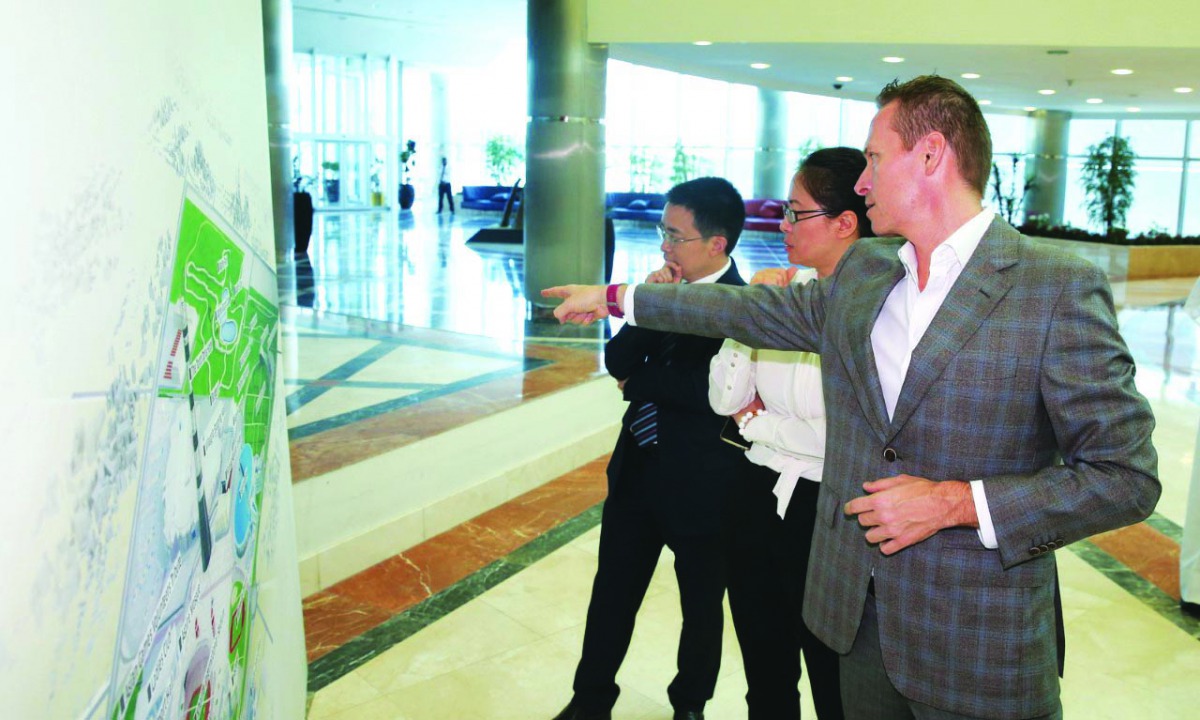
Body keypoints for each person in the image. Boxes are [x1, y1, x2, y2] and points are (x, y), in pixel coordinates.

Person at [543, 75, 1161, 720]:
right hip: (857, 624)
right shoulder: (867, 272)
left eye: (873, 158)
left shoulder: (1054, 287)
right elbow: (749, 309)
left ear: (929, 156)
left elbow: (1125, 476)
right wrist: (620, 297)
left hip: (978, 638)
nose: (862, 182)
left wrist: (955, 502)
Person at [553, 177, 748, 720]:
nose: (664, 245)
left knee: (701, 606)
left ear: (717, 244)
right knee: (612, 591)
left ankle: (689, 705)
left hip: (702, 481)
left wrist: (641, 383)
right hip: (637, 470)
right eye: (663, 231)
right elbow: (618, 360)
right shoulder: (659, 290)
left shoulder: (744, 307)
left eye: (676, 235)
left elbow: (711, 392)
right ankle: (590, 700)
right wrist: (652, 303)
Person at [712, 147, 870, 720]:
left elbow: (847, 441)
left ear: (844, 223)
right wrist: (753, 309)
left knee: (834, 682)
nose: (781, 225)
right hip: (755, 496)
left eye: (795, 213)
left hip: (829, 510)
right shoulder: (782, 294)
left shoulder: (879, 311)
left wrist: (760, 424)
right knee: (765, 675)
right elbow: (723, 398)